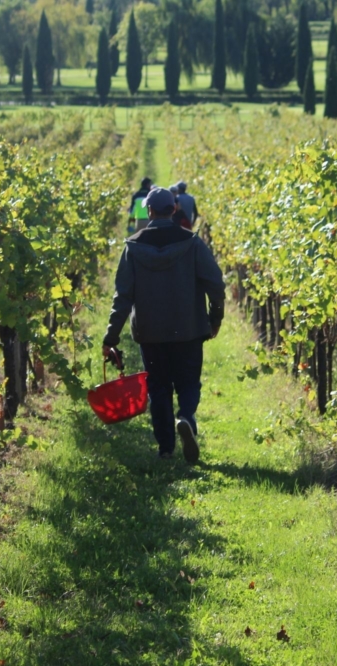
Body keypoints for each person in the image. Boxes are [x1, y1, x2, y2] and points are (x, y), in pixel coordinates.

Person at [103, 187, 226, 463]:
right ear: (174, 210)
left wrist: (110, 338)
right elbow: (216, 283)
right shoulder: (192, 243)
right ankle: (185, 417)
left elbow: (122, 296)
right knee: (188, 381)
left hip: (151, 332)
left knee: (158, 387)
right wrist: (214, 317)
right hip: (190, 328)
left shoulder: (133, 247)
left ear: (148, 211)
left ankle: (166, 449)